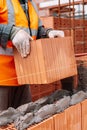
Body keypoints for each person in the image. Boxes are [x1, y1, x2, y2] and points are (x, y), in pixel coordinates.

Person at [0, 0, 64, 111]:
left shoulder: (30, 3)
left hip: (23, 76)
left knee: (24, 121)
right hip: (2, 77)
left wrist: (46, 32)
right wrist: (11, 32)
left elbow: (34, 29)